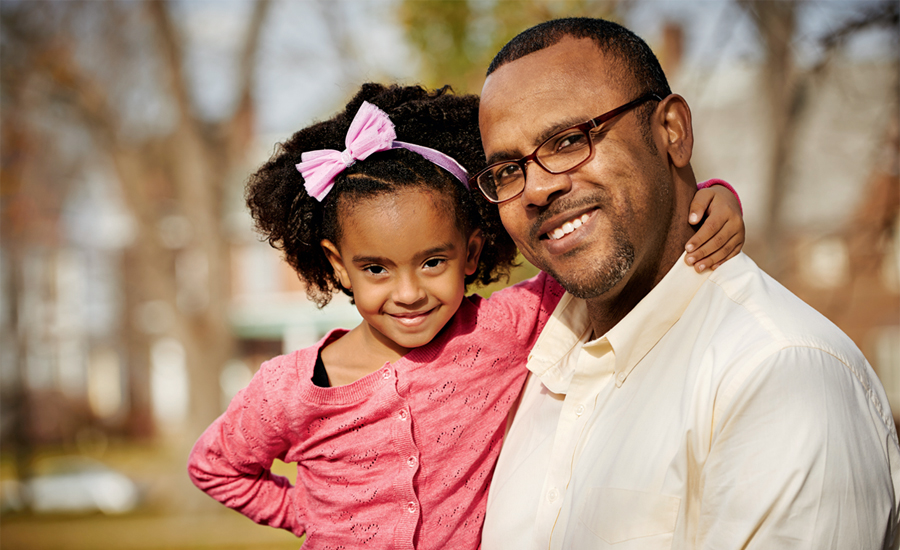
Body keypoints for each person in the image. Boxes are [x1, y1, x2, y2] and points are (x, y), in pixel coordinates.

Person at [187, 83, 744, 550]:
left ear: (471, 253)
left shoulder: (502, 330)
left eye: (433, 262)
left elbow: (598, 257)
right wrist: (311, 514)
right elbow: (215, 468)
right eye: (376, 269)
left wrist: (703, 199)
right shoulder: (287, 390)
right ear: (339, 266)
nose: (408, 293)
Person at [475, 17, 900, 550]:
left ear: (672, 131)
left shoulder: (776, 373)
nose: (536, 189)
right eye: (508, 171)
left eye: (567, 141)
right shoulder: (521, 370)